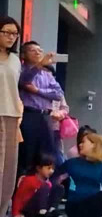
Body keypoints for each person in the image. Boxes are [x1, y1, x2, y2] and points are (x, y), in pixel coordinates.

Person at [17, 41, 63, 187]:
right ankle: (22, 190)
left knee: (47, 154)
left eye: (40, 50)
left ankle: (44, 191)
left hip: (45, 116)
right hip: (29, 115)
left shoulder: (47, 74)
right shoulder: (21, 70)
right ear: (23, 55)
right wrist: (39, 65)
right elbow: (24, 81)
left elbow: (58, 94)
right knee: (27, 153)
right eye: (33, 50)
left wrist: (37, 91)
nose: (38, 53)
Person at [0, 16, 23, 217]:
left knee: (8, 169)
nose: (10, 37)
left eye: (14, 33)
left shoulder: (15, 60)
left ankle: (1, 214)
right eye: (6, 32)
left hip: (12, 116)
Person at [12, 153, 64, 217]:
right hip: (27, 208)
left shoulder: (48, 182)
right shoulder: (29, 180)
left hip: (40, 205)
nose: (51, 171)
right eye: (48, 168)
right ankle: (42, 212)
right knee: (45, 187)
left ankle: (52, 209)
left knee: (59, 188)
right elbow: (18, 197)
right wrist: (16, 212)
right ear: (39, 168)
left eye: (53, 168)